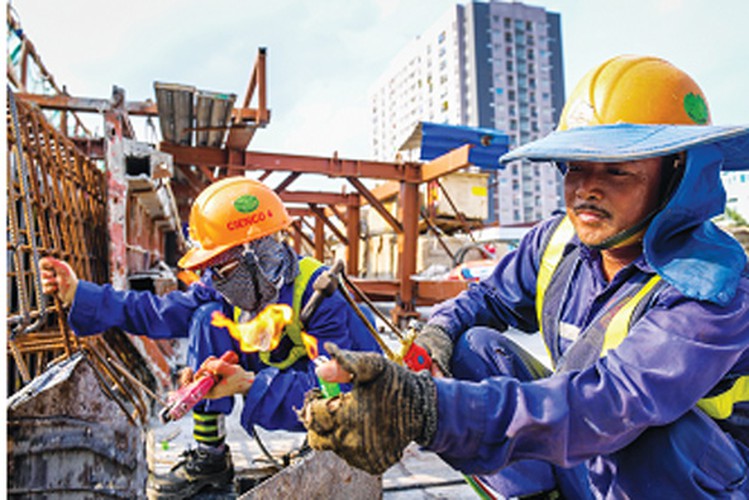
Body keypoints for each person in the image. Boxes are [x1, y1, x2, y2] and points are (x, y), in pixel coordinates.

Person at [300, 54, 749, 498]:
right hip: (589, 455)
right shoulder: (557, 241)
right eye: (575, 166)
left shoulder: (711, 290)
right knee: (472, 346)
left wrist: (426, 410)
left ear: (678, 179)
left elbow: (611, 404)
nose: (586, 189)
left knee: (655, 432)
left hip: (679, 479)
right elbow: (484, 301)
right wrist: (432, 338)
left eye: (617, 170)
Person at [40, 176, 382, 499]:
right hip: (284, 370)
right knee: (206, 320)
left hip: (352, 401)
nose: (213, 278)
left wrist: (249, 383)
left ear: (254, 255)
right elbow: (162, 311)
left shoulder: (319, 296)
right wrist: (80, 294)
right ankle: (210, 457)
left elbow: (337, 392)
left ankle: (323, 448)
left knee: (334, 412)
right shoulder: (233, 286)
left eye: (220, 266)